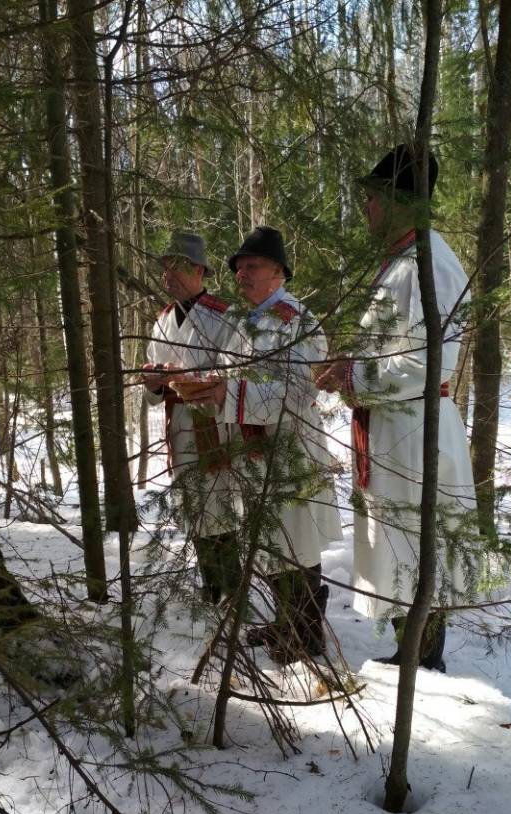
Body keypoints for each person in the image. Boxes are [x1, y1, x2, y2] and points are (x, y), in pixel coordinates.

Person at [315, 144, 477, 672]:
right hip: (399, 429)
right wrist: (352, 368)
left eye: (371, 197)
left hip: (418, 430)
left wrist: (353, 375)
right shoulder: (406, 261)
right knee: (400, 540)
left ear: (396, 198)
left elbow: (431, 364)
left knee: (413, 539)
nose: (366, 208)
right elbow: (394, 353)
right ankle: (414, 654)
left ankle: (424, 663)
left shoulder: (431, 263)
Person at [192, 225, 342, 663]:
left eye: (252, 266)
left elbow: (299, 393)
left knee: (296, 543)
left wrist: (229, 396)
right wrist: (211, 387)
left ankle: (306, 634)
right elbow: (229, 374)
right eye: (238, 268)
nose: (241, 274)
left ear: (278, 271)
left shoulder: (298, 322)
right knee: (272, 541)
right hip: (253, 450)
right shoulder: (242, 321)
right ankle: (286, 621)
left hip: (290, 451)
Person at [141, 231, 240, 604]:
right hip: (179, 421)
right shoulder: (162, 320)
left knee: (220, 502)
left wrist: (190, 379)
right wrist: (152, 382)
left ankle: (232, 584)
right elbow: (152, 387)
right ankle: (210, 581)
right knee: (193, 502)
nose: (168, 275)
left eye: (176, 267)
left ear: (198, 270)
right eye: (165, 268)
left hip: (215, 423)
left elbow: (235, 373)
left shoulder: (222, 316)